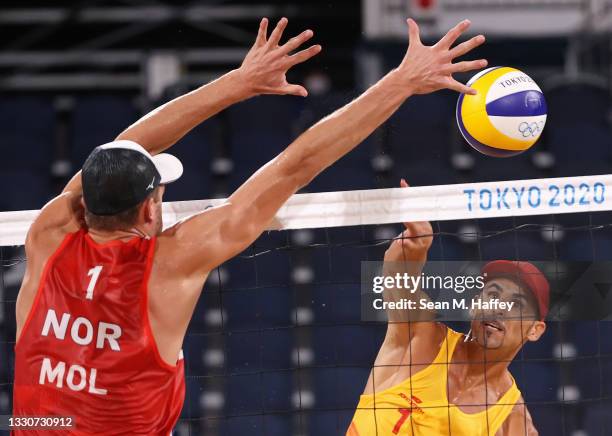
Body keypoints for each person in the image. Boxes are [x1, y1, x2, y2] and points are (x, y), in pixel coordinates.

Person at [12, 15, 486, 435]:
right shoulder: (169, 263)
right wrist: (400, 83)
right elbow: (294, 166)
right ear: (148, 211)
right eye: (159, 193)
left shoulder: (48, 233)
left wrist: (239, 83)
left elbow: (123, 147)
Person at [348, 182, 549, 436]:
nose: (498, 307)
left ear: (535, 330)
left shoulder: (511, 418)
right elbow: (397, 278)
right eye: (492, 294)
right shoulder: (422, 338)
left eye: (516, 304)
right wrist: (414, 247)